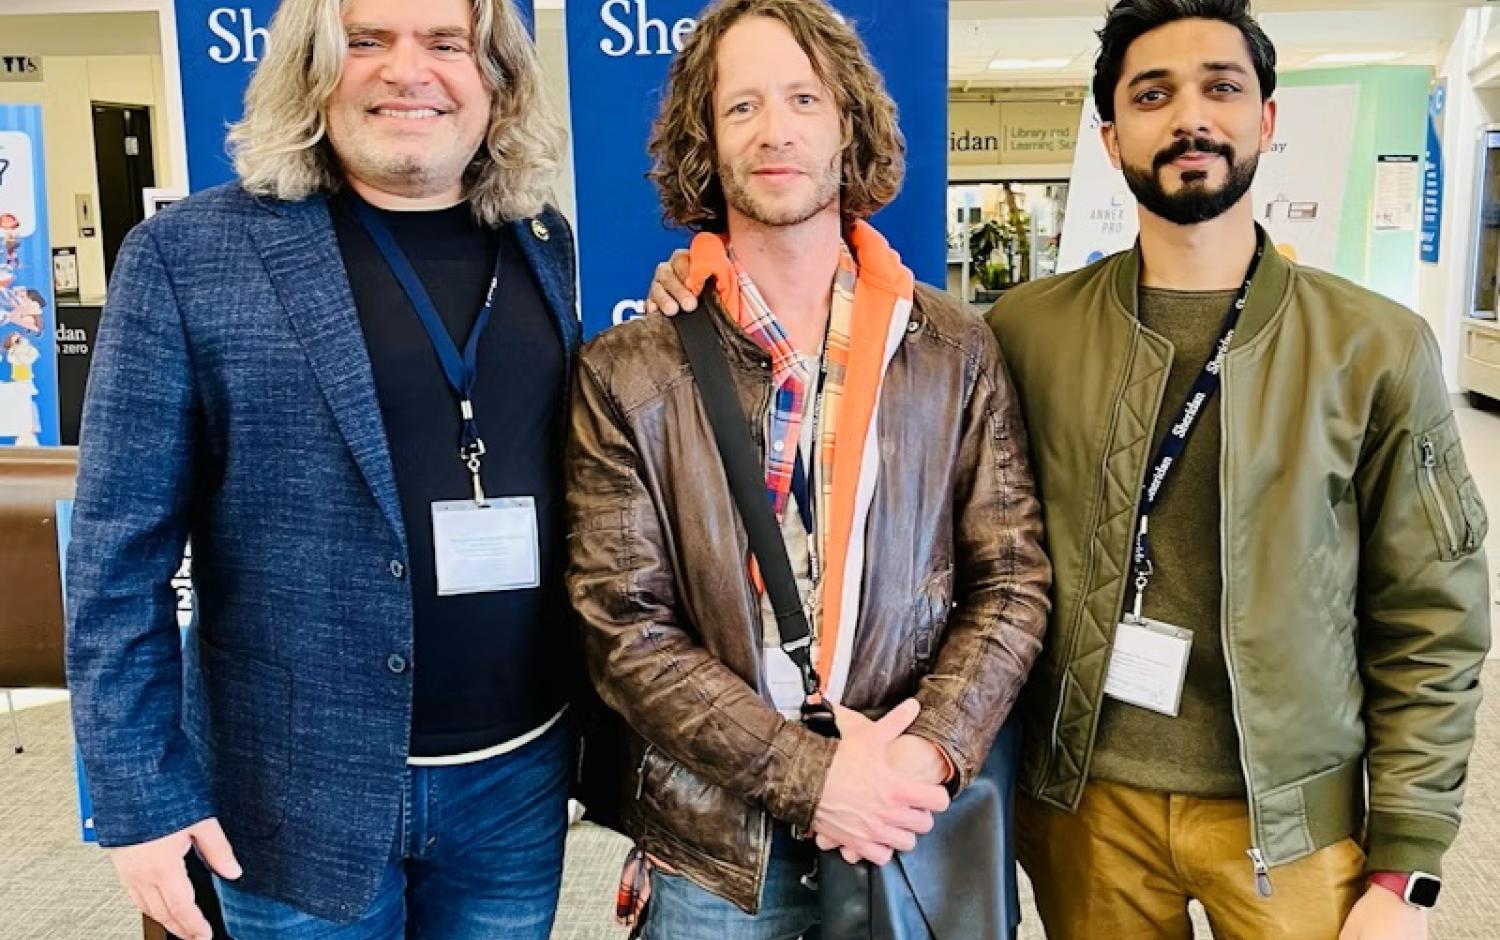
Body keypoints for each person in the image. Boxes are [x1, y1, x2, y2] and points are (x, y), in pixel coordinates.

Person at [649, 2, 1490, 937]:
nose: (1190, 119)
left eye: (1221, 88)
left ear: (1268, 118)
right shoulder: (1026, 332)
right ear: (1110, 132)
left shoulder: (1374, 348)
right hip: (1084, 816)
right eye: (1152, 94)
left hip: (1288, 824)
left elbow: (1433, 619)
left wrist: (1404, 872)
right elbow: (992, 561)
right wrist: (697, 288)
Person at [64, 0, 582, 937]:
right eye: (367, 41)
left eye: (446, 43)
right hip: (291, 790)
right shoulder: (189, 256)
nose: (407, 70)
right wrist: (136, 800)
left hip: (516, 774)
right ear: (312, 66)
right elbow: (114, 560)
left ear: (496, 76)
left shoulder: (543, 242)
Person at [567, 0, 1052, 936]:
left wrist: (926, 756)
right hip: (713, 845)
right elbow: (623, 628)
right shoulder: (627, 371)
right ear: (706, 138)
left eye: (802, 98)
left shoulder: (953, 349)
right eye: (741, 106)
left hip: (903, 818)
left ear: (847, 125)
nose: (776, 130)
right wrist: (813, 776)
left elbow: (1012, 579)